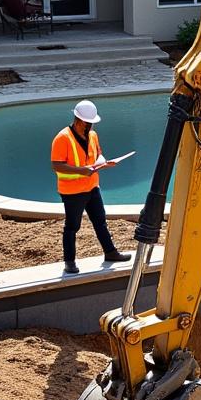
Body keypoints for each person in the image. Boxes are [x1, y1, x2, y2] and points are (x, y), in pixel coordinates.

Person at [50, 100, 131, 274]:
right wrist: (81, 171)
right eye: (89, 122)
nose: (91, 125)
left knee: (100, 221)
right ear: (79, 120)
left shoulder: (93, 135)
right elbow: (56, 165)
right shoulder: (62, 138)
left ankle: (110, 252)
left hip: (92, 186)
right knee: (72, 227)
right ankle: (69, 262)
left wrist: (104, 163)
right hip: (72, 192)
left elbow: (98, 154)